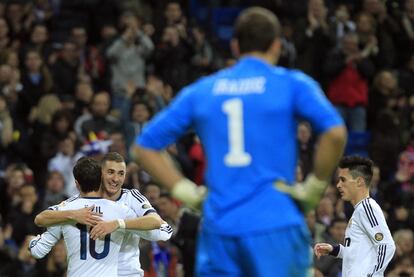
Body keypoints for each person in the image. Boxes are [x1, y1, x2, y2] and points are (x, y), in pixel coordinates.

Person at [132, 6, 347, 276]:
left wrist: (186, 192)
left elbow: (143, 147)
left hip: (220, 228)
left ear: (235, 46)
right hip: (276, 222)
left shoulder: (203, 90)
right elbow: (335, 132)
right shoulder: (292, 84)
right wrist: (314, 187)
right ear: (277, 46)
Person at [34, 152, 172, 277]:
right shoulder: (77, 203)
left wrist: (118, 224)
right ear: (100, 174)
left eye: (121, 173)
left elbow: (161, 228)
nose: (116, 179)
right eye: (111, 172)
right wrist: (73, 215)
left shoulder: (131, 197)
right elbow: (43, 219)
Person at [29, 157, 137, 276]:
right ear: (101, 180)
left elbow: (37, 251)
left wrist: (31, 242)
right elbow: (155, 230)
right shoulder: (121, 210)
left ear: (76, 184)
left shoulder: (64, 211)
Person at [314, 156, 396, 276]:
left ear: (359, 181)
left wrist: (374, 275)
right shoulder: (359, 210)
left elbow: (387, 245)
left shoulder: (367, 208)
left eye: (343, 180)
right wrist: (335, 250)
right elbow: (358, 253)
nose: (338, 185)